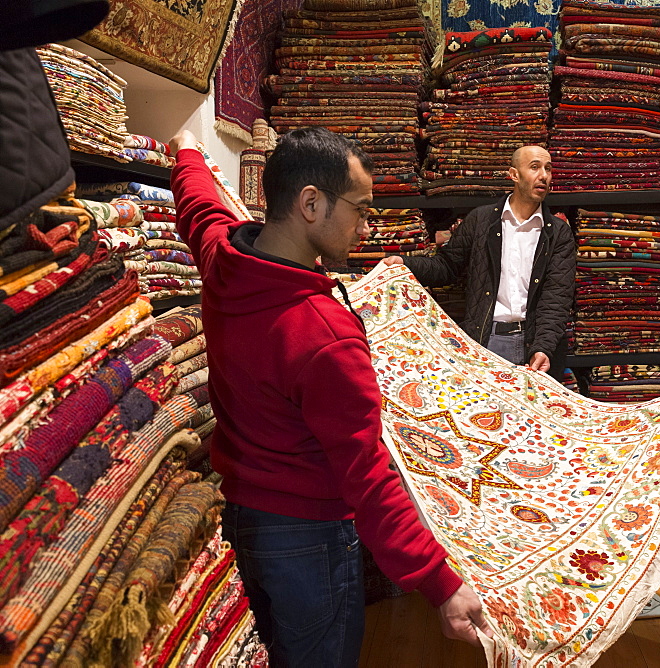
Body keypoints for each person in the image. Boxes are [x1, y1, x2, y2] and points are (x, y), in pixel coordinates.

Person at [168, 127, 490, 667]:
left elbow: (198, 206)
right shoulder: (327, 336)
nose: (367, 227)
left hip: (242, 521)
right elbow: (367, 477)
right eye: (362, 210)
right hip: (310, 540)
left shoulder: (225, 260)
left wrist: (186, 152)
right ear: (310, 203)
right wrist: (441, 583)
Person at [383, 146, 575, 377]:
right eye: (534, 167)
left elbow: (557, 295)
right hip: (487, 337)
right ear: (514, 175)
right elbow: (447, 267)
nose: (543, 175)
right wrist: (405, 263)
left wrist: (543, 347)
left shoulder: (557, 232)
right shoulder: (482, 220)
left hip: (534, 343)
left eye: (548, 169)